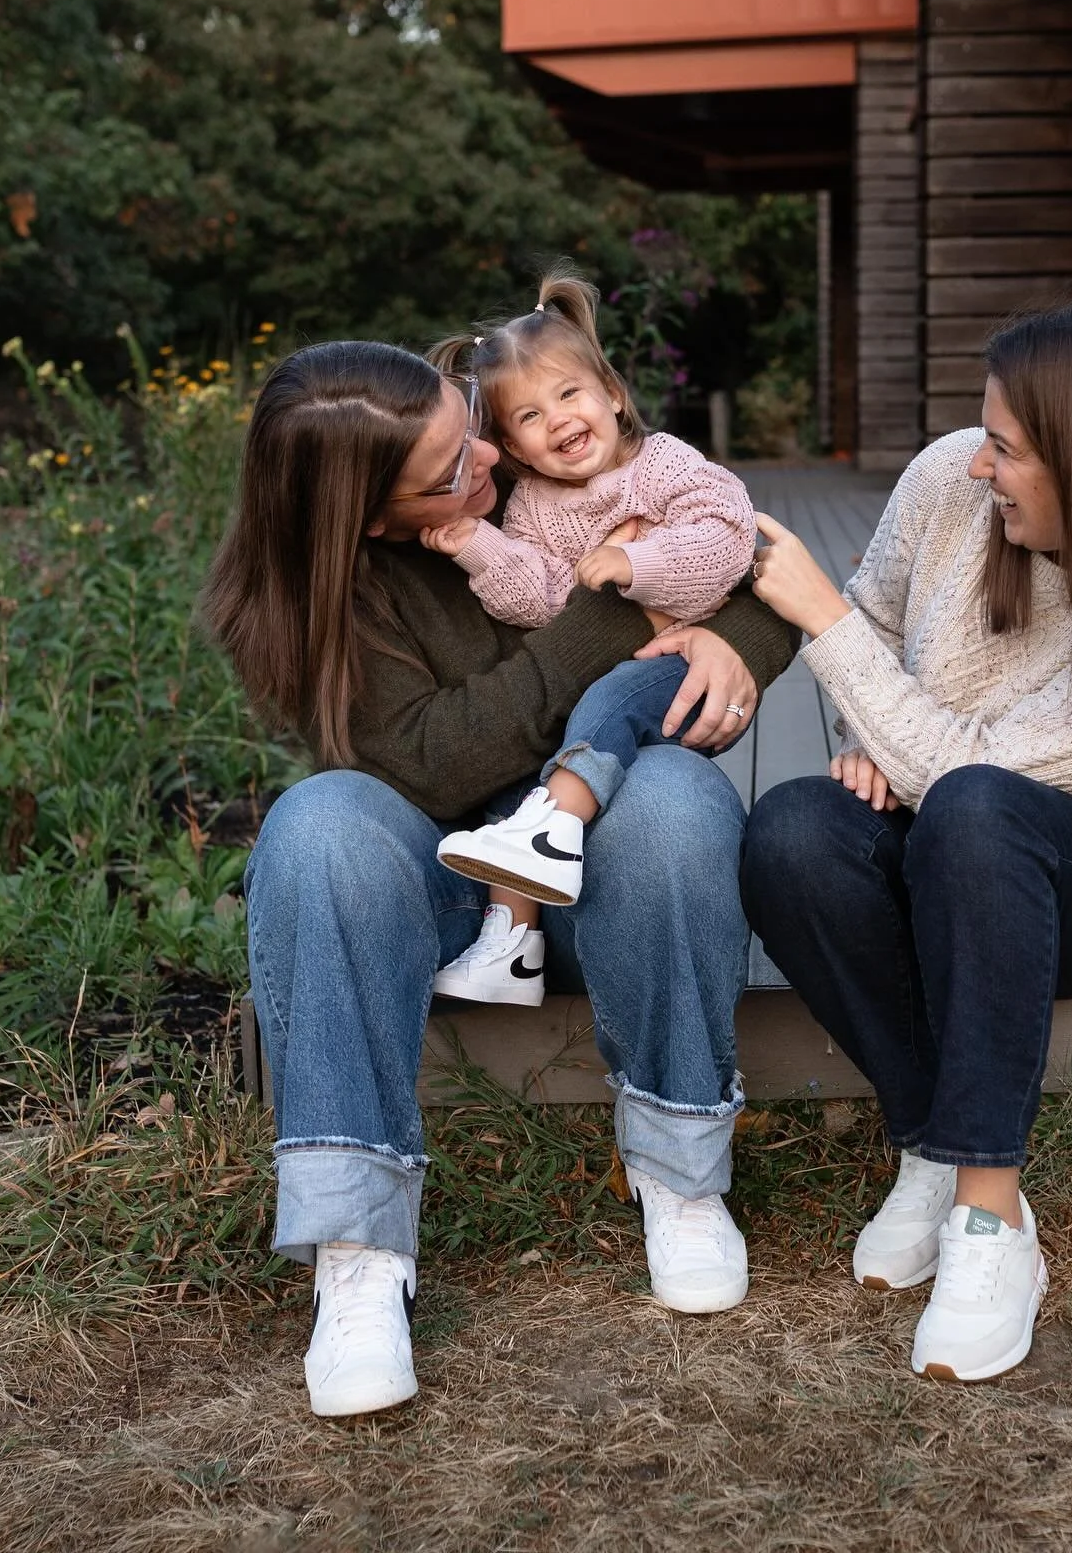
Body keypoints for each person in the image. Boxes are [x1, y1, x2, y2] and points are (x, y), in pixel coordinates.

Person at [199, 337, 795, 1419]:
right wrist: (616, 621)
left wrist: (733, 642)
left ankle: (680, 1171)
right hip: (450, 888)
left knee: (670, 798)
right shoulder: (329, 593)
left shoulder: (529, 444)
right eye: (447, 471)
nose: (486, 454)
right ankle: (359, 1252)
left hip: (606, 873)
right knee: (319, 821)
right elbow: (434, 760)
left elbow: (742, 546)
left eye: (466, 417)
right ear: (376, 520)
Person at [741, 295, 1072, 1385]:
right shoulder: (944, 480)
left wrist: (829, 636)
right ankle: (928, 1140)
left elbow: (971, 767)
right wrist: (866, 730)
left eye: (1009, 449)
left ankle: (989, 1216)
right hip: (943, 816)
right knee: (790, 831)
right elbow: (878, 620)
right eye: (986, 436)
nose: (981, 466)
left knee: (974, 808)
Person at [420, 270, 756, 1004]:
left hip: (677, 664)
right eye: (531, 417)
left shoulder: (662, 463)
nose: (560, 420)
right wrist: (478, 546)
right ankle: (510, 945)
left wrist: (635, 562)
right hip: (600, 688)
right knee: (522, 766)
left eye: (570, 394)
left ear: (612, 392)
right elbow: (538, 601)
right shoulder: (533, 509)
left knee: (608, 694)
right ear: (512, 449)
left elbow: (728, 539)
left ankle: (553, 826)